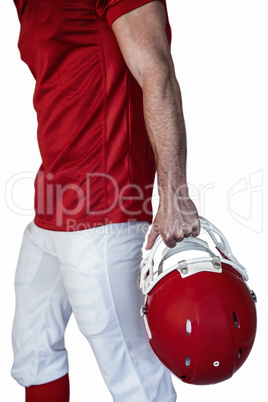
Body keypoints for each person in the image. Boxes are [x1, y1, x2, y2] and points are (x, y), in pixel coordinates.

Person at [11, 0, 200, 401]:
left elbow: (157, 71)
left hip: (104, 208)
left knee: (137, 380)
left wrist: (175, 193)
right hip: (52, 203)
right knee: (33, 348)